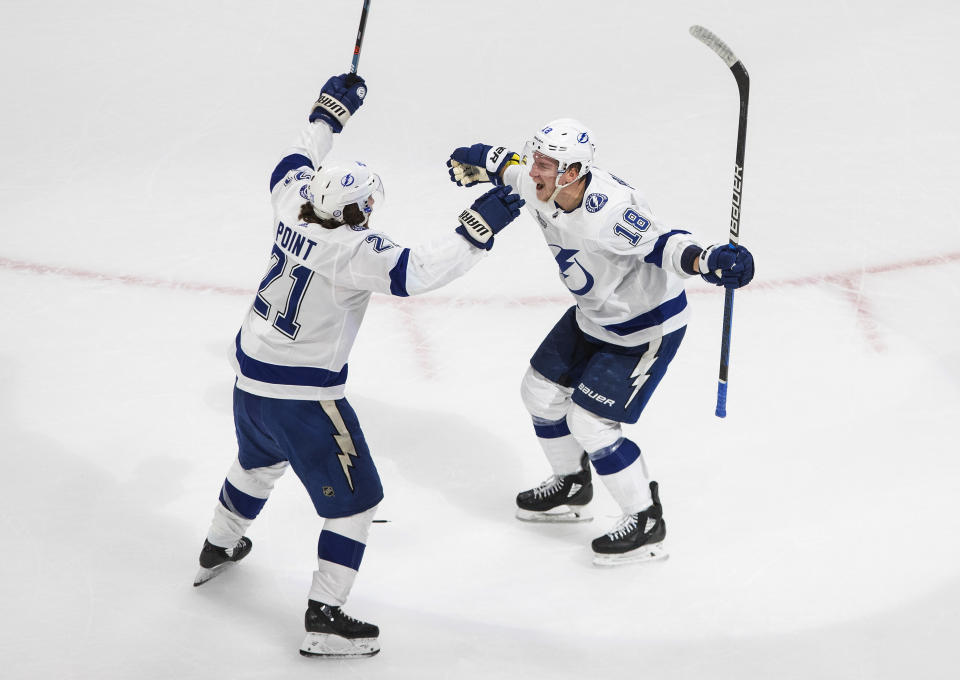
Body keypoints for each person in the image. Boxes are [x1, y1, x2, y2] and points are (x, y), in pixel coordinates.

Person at [194, 72, 524, 658]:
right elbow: (419, 271)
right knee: (357, 502)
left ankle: (218, 545)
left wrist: (328, 115)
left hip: (249, 382)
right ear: (356, 208)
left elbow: (292, 158)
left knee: (256, 462)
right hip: (303, 399)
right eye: (368, 204)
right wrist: (479, 230)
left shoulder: (293, 203)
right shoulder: (353, 251)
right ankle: (325, 616)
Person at [446, 119, 754, 566]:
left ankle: (646, 521)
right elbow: (505, 165)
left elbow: (665, 245)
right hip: (594, 316)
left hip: (644, 326)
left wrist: (708, 260)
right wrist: (476, 157)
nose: (535, 171)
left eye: (546, 165)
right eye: (537, 160)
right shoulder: (539, 183)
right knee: (539, 393)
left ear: (572, 172)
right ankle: (572, 483)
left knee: (590, 423)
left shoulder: (609, 212)